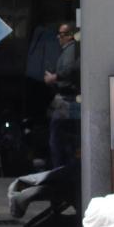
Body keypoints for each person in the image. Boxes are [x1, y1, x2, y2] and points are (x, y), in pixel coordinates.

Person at [44, 22, 80, 167]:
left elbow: (71, 69)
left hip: (67, 100)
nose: (59, 37)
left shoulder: (71, 50)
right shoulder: (69, 50)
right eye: (59, 34)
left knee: (57, 139)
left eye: (63, 34)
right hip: (66, 99)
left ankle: (60, 169)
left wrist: (54, 78)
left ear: (71, 35)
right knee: (63, 138)